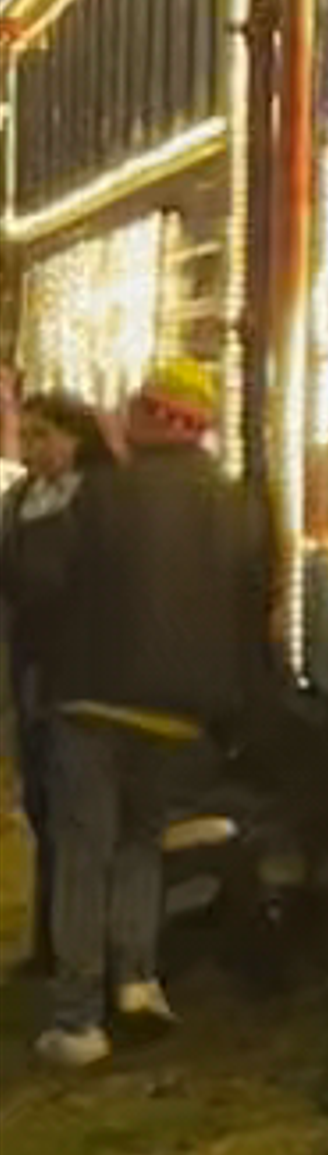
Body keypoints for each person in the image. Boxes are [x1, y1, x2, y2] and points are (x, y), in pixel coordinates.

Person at [34, 357, 275, 1076]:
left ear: (149, 416)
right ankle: (136, 982)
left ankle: (78, 1020)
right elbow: (252, 604)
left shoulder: (98, 496)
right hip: (178, 711)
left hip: (90, 700)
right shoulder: (238, 504)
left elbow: (40, 583)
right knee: (141, 842)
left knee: (84, 853)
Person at [4, 385, 105, 975]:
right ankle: (45, 939)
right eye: (29, 435)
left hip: (79, 672)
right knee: (40, 805)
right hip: (31, 667)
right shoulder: (22, 499)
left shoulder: (94, 504)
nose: (35, 447)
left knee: (76, 815)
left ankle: (73, 949)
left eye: (46, 435)